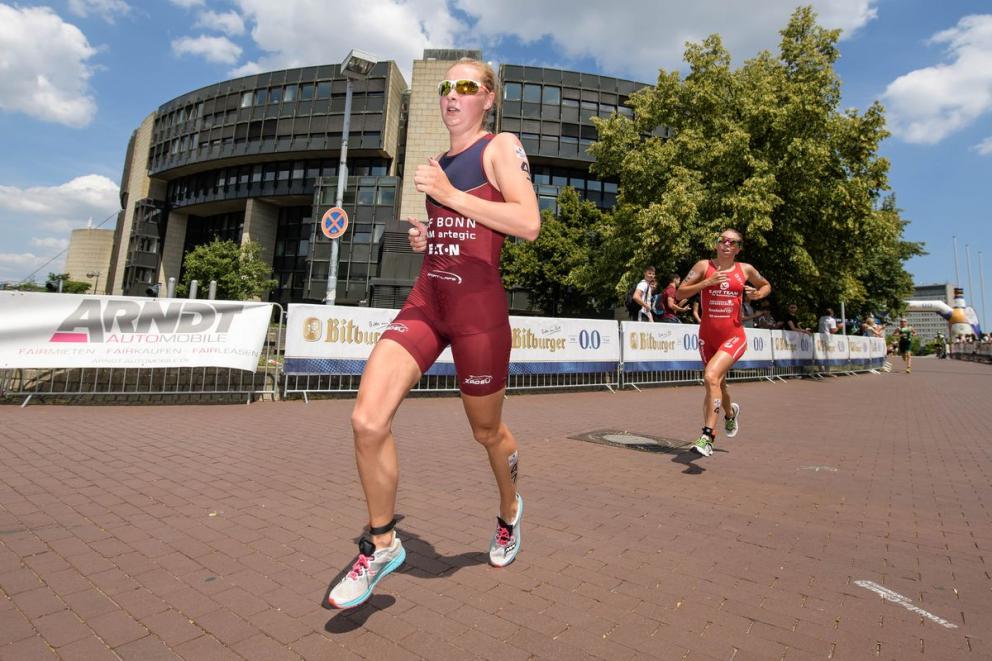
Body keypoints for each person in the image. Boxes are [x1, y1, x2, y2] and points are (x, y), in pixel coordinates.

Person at [324, 58, 541, 610]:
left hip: (477, 312)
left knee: (486, 434)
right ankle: (382, 543)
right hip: (427, 302)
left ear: (487, 99)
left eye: (467, 87)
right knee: (366, 419)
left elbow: (528, 223)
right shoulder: (436, 162)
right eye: (447, 87)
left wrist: (450, 193)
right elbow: (461, 225)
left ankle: (510, 508)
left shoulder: (499, 147)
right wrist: (431, 231)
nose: (453, 95)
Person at [676, 230, 771, 457]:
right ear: (717, 245)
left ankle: (707, 436)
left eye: (732, 242)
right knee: (718, 384)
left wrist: (758, 294)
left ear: (738, 248)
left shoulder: (744, 269)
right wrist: (707, 282)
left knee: (710, 377)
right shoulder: (703, 266)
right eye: (722, 240)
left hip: (733, 337)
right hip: (707, 337)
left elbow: (765, 285)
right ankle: (730, 414)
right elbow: (680, 292)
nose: (726, 244)